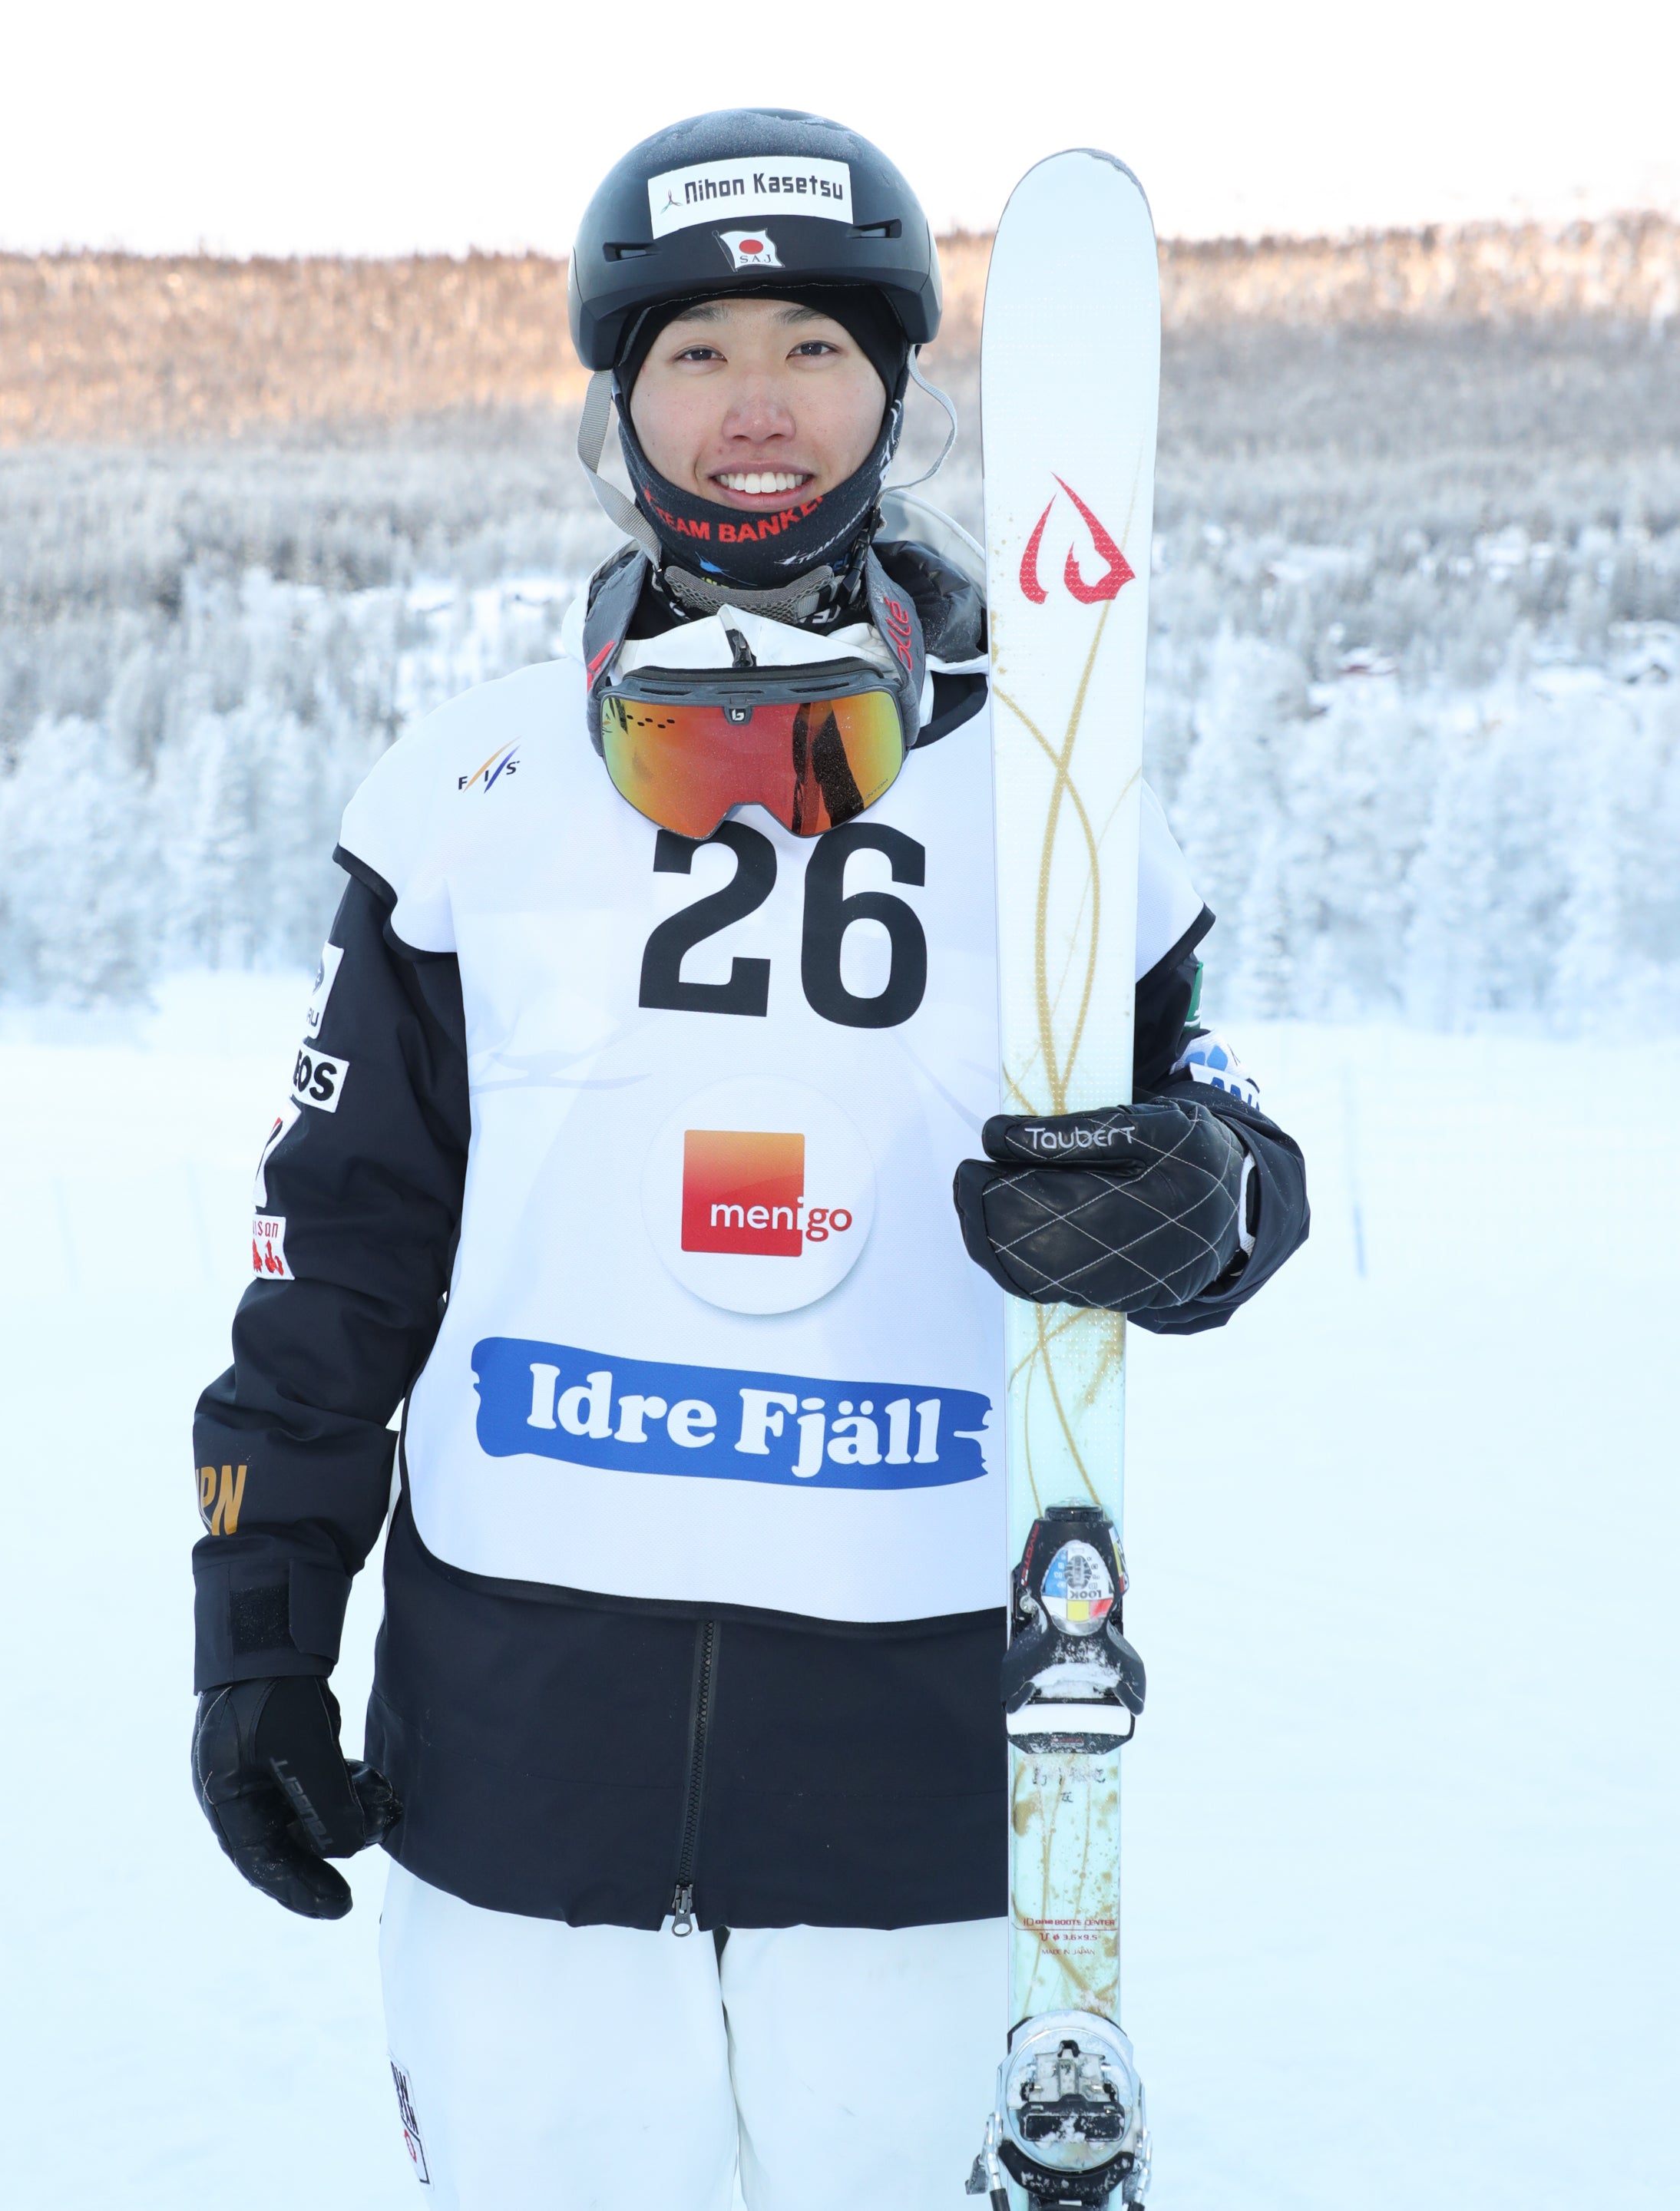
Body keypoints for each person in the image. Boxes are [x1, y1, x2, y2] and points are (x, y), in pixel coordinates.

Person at [190, 109, 1308, 2211]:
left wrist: (1208, 1193)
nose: (758, 404)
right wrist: (259, 1626)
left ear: (895, 387)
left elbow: (1230, 1148)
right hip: (517, 1755)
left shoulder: (1055, 799)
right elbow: (334, 1263)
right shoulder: (473, 794)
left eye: (814, 340)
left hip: (917, 1772)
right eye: (698, 349)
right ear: (624, 395)